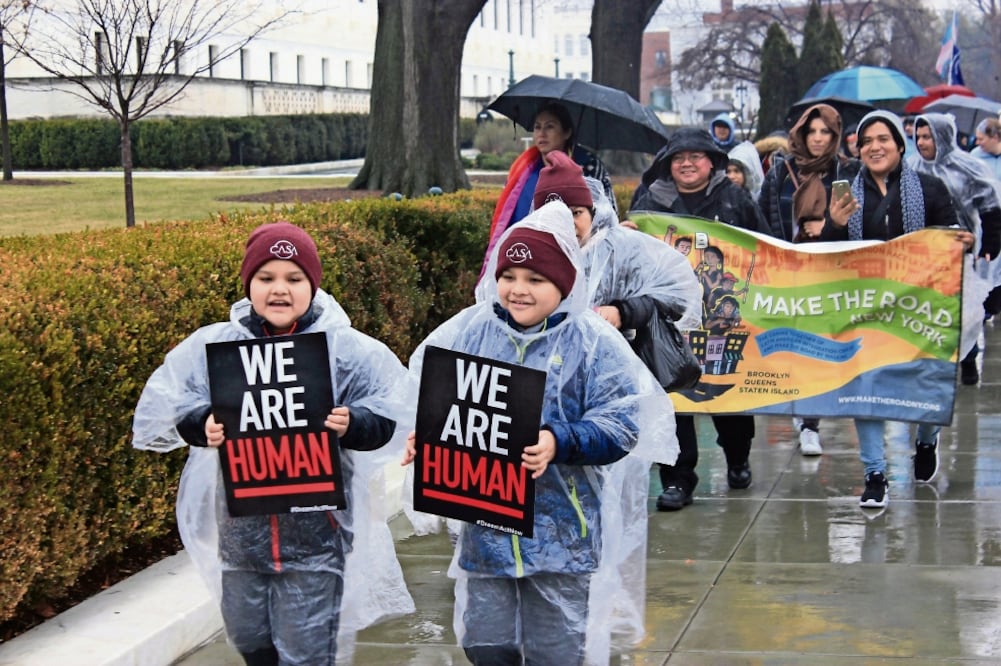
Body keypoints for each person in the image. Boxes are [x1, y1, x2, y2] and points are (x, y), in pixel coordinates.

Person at [403, 202, 677, 665]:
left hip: (561, 539)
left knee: (555, 652)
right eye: (509, 275)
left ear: (563, 284)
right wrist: (428, 437)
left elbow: (621, 424)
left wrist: (560, 440)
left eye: (536, 279)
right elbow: (441, 403)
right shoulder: (471, 333)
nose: (518, 290)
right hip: (485, 536)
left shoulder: (593, 343)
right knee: (486, 647)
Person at [131, 221, 413, 665]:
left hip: (319, 537)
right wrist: (200, 423)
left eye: (293, 278)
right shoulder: (217, 346)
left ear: (312, 286)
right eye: (266, 278)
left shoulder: (344, 350)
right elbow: (174, 398)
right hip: (241, 538)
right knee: (250, 640)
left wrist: (352, 422)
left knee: (305, 651)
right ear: (249, 285)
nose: (279, 289)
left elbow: (392, 412)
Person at [819, 110, 975, 509]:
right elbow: (827, 255)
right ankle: (874, 473)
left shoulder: (930, 188)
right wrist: (834, 226)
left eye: (882, 139)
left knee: (922, 381)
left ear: (900, 146)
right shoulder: (844, 194)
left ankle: (926, 440)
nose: (874, 146)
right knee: (864, 387)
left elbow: (949, 236)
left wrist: (963, 241)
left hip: (917, 310)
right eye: (866, 140)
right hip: (863, 311)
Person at [630, 126, 769, 511]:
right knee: (672, 398)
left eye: (695, 156)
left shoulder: (736, 200)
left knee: (729, 395)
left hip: (725, 321)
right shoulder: (648, 203)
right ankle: (676, 479)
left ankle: (738, 457)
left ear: (713, 163)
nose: (687, 163)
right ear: (667, 164)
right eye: (678, 157)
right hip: (668, 323)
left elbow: (767, 250)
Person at [758, 103, 861, 456]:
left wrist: (828, 226)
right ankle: (803, 412)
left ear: (835, 137)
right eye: (812, 131)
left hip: (833, 273)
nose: (818, 139)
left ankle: (810, 422)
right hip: (789, 270)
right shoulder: (781, 172)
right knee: (792, 347)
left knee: (818, 349)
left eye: (826, 133)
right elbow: (765, 216)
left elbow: (855, 225)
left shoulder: (849, 170)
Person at [910, 112, 1001, 385]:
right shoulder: (912, 168)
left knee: (961, 311)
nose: (922, 142)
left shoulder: (968, 167)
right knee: (928, 311)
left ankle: (968, 356)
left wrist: (991, 244)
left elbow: (990, 206)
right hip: (923, 252)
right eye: (918, 136)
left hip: (962, 250)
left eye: (928, 136)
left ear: (943, 137)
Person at [483, 101, 616, 274]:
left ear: (567, 132)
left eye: (550, 126)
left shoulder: (588, 165)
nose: (542, 133)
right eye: (537, 127)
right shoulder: (522, 170)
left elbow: (607, 216)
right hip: (525, 256)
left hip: (578, 259)